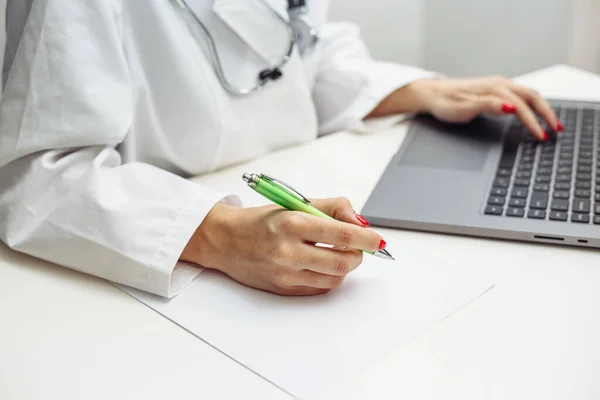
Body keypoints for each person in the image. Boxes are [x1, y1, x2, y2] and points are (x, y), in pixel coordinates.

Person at [0, 0, 560, 298]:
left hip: (288, 184)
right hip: (133, 283)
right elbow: (39, 174)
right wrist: (215, 234)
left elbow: (296, 50)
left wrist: (415, 91)